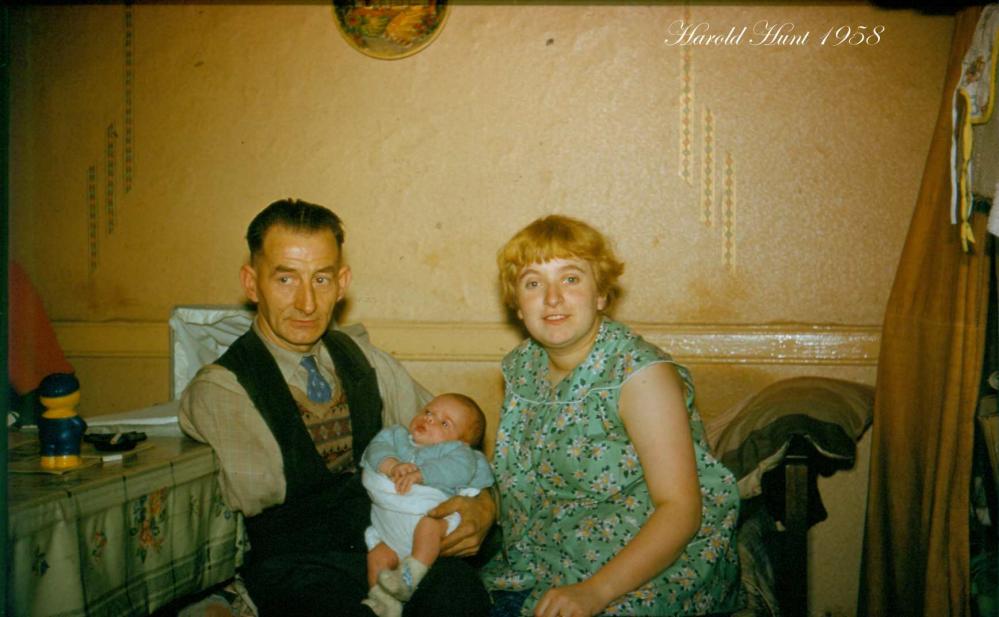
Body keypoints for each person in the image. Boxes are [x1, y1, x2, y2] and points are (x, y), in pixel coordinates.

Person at [178, 199, 492, 617]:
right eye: (286, 279)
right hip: (299, 564)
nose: (307, 303)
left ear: (342, 283)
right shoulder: (225, 388)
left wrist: (485, 504)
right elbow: (268, 498)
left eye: (321, 279)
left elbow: (454, 438)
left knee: (461, 597)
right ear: (252, 284)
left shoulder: (365, 361)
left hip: (390, 540)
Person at [480, 215, 741, 617]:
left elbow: (680, 510)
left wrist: (594, 592)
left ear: (601, 294)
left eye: (570, 279)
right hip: (544, 563)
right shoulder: (522, 368)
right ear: (517, 304)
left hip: (643, 569)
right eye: (533, 283)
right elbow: (523, 482)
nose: (552, 298)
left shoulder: (640, 375)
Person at [360, 393, 494, 617]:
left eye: (444, 423)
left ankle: (410, 575)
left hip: (431, 516)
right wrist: (392, 465)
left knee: (429, 525)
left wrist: (423, 474)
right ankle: (382, 601)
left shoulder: (459, 452)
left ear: (461, 442)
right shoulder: (396, 436)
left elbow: (457, 469)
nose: (430, 419)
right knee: (377, 557)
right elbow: (376, 449)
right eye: (428, 412)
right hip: (393, 529)